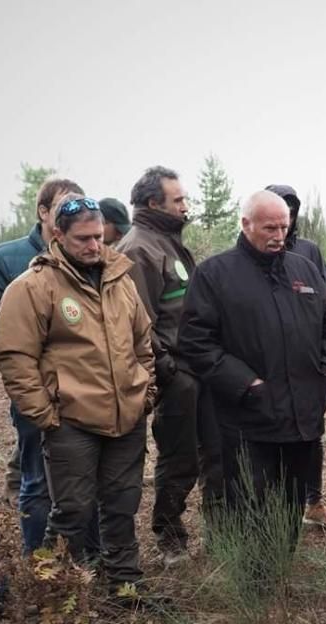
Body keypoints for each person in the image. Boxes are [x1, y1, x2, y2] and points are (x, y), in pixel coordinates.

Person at [0, 195, 156, 594]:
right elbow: (15, 356)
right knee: (72, 512)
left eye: (98, 237)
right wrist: (46, 415)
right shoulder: (34, 287)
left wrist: (145, 392)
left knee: (121, 508)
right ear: (57, 235)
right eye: (83, 238)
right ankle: (53, 597)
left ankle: (124, 587)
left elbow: (143, 343)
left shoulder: (121, 280)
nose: (93, 246)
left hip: (127, 417)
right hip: (71, 422)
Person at [178, 190, 326, 553]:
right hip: (248, 416)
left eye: (284, 227)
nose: (279, 235)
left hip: (302, 412)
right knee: (249, 501)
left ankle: (280, 566)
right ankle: (249, 577)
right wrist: (245, 382)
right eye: (270, 227)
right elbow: (195, 342)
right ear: (245, 224)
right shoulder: (215, 274)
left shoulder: (304, 268)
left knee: (290, 499)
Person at [0, 177, 88, 554]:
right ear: (44, 212)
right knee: (37, 481)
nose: (71, 212)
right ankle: (39, 567)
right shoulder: (5, 259)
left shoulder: (86, 254)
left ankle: (82, 562)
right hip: (35, 392)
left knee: (82, 481)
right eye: (63, 205)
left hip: (84, 391)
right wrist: (32, 373)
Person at [118, 166, 209, 566]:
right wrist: (168, 369)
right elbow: (138, 323)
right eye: (179, 200)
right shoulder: (138, 249)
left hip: (194, 366)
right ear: (155, 204)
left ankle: (217, 527)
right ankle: (169, 536)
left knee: (207, 453)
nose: (186, 206)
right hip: (174, 374)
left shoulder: (168, 242)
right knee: (178, 455)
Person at [264, 183, 326, 531]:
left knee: (312, 436)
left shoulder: (309, 251)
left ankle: (314, 502)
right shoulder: (252, 254)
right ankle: (273, 511)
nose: (287, 216)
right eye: (280, 208)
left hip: (308, 365)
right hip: (270, 367)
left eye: (292, 209)